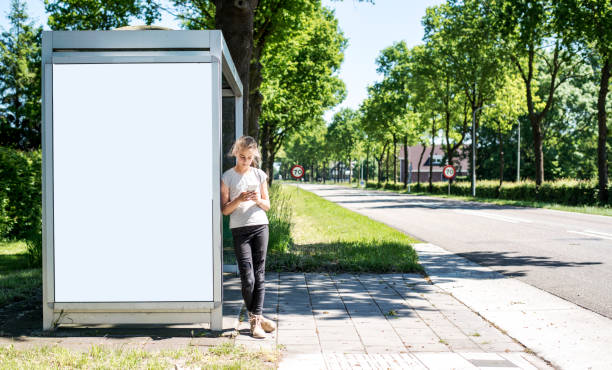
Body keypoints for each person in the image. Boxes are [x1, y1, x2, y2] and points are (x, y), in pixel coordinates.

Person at [221, 136, 276, 339]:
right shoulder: (227, 177)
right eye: (242, 157)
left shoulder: (259, 174)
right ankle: (259, 319)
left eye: (249, 157)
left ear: (254, 156)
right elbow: (225, 210)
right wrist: (239, 199)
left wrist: (258, 199)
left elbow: (267, 205)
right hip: (239, 229)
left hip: (260, 226)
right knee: (247, 277)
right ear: (235, 153)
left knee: (259, 274)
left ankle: (255, 322)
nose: (245, 161)